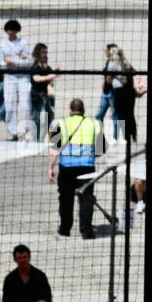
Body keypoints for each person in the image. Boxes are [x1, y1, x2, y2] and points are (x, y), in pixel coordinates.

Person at [48, 98, 100, 239]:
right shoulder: (95, 124)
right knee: (86, 199)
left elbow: (53, 149)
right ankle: (86, 231)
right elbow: (101, 150)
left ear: (70, 111)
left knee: (65, 199)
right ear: (83, 111)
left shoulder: (60, 123)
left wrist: (50, 168)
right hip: (87, 167)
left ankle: (65, 229)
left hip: (66, 168)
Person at [0, 19, 31, 139]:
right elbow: (0, 62)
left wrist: (12, 60)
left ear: (17, 30)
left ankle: (26, 131)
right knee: (10, 104)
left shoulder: (24, 43)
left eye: (13, 29)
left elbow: (28, 62)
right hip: (9, 78)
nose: (10, 32)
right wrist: (16, 60)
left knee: (26, 104)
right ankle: (13, 133)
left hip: (23, 78)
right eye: (8, 30)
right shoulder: (3, 44)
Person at [95, 44, 126, 141]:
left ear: (111, 51)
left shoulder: (117, 62)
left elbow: (113, 76)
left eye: (106, 50)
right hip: (106, 92)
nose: (105, 51)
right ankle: (99, 137)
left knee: (115, 115)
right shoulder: (109, 62)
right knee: (99, 115)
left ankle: (115, 138)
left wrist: (108, 79)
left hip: (113, 92)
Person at [29, 43, 57, 134]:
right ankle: (35, 139)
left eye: (46, 52)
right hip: (37, 96)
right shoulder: (35, 67)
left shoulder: (47, 67)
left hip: (45, 96)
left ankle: (50, 138)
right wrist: (50, 76)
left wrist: (52, 76)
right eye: (43, 52)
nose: (45, 54)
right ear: (38, 54)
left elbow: (51, 83)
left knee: (50, 116)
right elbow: (36, 78)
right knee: (36, 119)